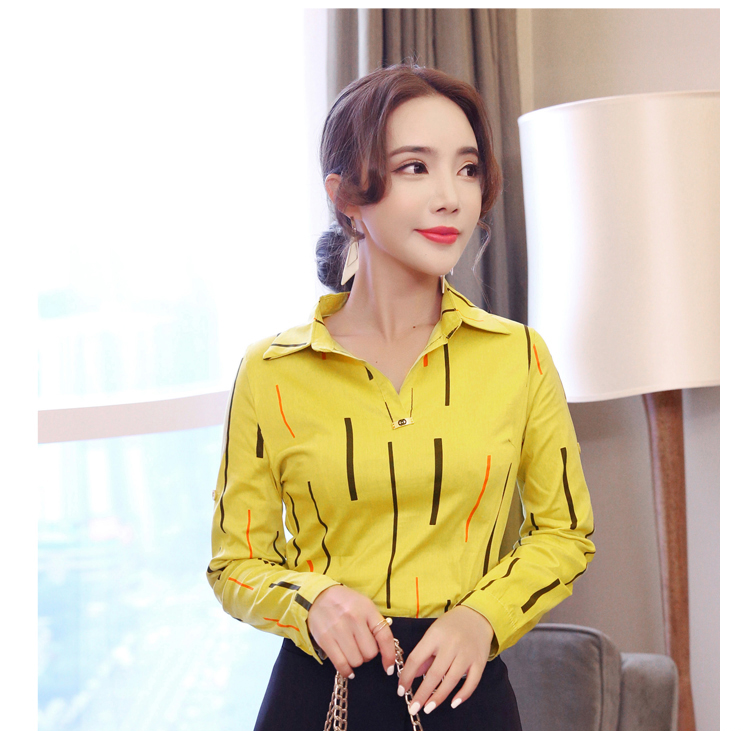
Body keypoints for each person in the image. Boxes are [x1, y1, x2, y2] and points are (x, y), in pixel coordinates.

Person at [208, 63, 595, 731]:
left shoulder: (519, 357)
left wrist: (482, 618)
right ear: (346, 196)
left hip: (463, 696)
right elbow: (234, 560)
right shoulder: (271, 371)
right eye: (416, 167)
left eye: (467, 169)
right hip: (319, 694)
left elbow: (565, 533)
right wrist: (313, 601)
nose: (451, 197)